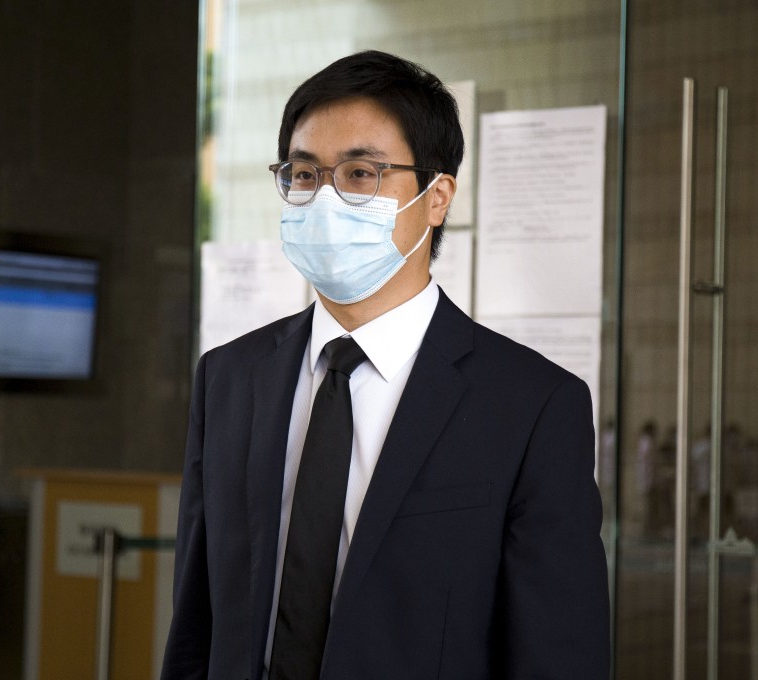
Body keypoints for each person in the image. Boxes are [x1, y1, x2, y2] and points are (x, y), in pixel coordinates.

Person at [160, 50, 609, 680]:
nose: (324, 198)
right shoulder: (229, 379)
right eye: (305, 174)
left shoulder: (532, 405)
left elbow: (559, 653)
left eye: (362, 173)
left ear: (436, 197)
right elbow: (197, 623)